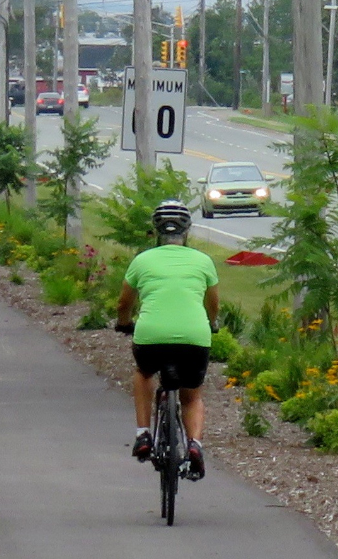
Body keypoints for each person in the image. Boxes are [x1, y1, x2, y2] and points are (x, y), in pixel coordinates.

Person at [115, 201, 219, 481]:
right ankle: (195, 445)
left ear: (156, 230)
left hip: (151, 336)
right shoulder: (203, 261)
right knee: (192, 395)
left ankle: (143, 434)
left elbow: (124, 302)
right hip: (194, 338)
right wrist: (212, 323)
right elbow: (213, 304)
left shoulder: (142, 261)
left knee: (144, 372)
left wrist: (123, 323)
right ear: (187, 230)